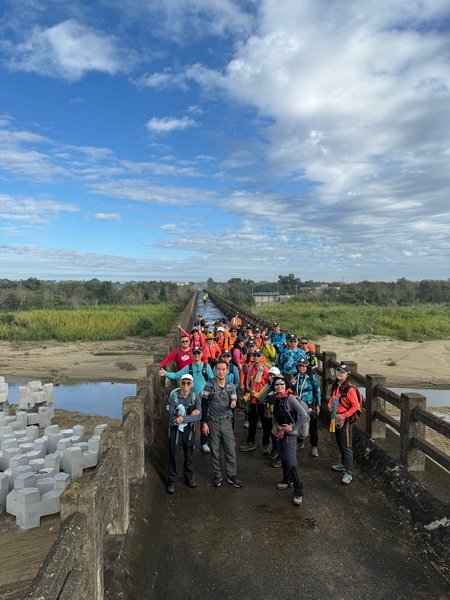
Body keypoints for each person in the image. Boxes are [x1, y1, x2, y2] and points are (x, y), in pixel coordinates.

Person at [159, 346, 215, 454]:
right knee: (191, 419)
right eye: (194, 353)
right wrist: (165, 373)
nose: (197, 355)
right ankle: (191, 441)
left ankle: (204, 443)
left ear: (202, 354)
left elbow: (212, 381)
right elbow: (177, 375)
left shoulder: (206, 367)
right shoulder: (188, 368)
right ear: (192, 355)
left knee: (204, 419)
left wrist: (204, 392)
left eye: (199, 353)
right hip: (191, 398)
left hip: (204, 398)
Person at [267, 376, 309, 506]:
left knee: (291, 461)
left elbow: (304, 415)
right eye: (277, 384)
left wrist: (294, 427)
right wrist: (268, 387)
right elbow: (262, 398)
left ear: (286, 385)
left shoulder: (290, 398)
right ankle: (287, 479)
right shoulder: (275, 398)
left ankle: (299, 490)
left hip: (289, 434)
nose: (280, 386)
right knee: (283, 457)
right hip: (278, 431)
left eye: (282, 384)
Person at [201, 360, 243, 488]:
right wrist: (204, 422)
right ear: (215, 371)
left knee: (230, 449)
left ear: (227, 371)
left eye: (223, 369)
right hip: (212, 421)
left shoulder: (230, 386)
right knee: (215, 449)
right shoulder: (209, 385)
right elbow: (204, 403)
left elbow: (234, 398)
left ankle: (232, 475)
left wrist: (234, 402)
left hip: (226, 421)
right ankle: (218, 475)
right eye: (218, 369)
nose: (221, 372)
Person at [165, 374, 202, 493]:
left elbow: (199, 415)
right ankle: (172, 481)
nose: (186, 385)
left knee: (189, 454)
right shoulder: (173, 397)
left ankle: (189, 478)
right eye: (183, 383)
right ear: (180, 383)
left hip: (189, 430)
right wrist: (189, 416)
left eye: (188, 383)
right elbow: (169, 415)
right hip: (175, 429)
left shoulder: (195, 398)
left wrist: (184, 419)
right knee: (174, 455)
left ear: (192, 384)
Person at [327, 364, 360, 485]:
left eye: (343, 372)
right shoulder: (337, 385)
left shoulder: (350, 389)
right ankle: (342, 464)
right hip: (336, 417)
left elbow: (356, 406)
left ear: (347, 375)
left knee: (346, 445)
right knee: (340, 442)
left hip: (344, 420)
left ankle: (348, 472)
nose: (340, 374)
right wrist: (329, 405)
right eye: (338, 371)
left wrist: (343, 415)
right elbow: (333, 398)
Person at [240, 350, 270, 452]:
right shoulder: (251, 368)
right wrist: (248, 389)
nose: (256, 357)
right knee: (252, 421)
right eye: (254, 355)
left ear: (262, 357)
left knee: (265, 423)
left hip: (263, 401)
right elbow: (247, 380)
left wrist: (262, 394)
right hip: (253, 400)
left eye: (258, 355)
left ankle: (266, 445)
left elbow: (270, 385)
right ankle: (251, 441)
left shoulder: (265, 370)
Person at [291, 358, 321, 457]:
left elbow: (317, 391)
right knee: (297, 423)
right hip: (297, 405)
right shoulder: (295, 375)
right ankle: (300, 442)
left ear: (307, 367)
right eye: (300, 366)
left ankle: (314, 446)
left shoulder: (312, 377)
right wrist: (291, 384)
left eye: (303, 366)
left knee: (313, 427)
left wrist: (318, 405)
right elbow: (290, 389)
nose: (301, 368)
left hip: (309, 405)